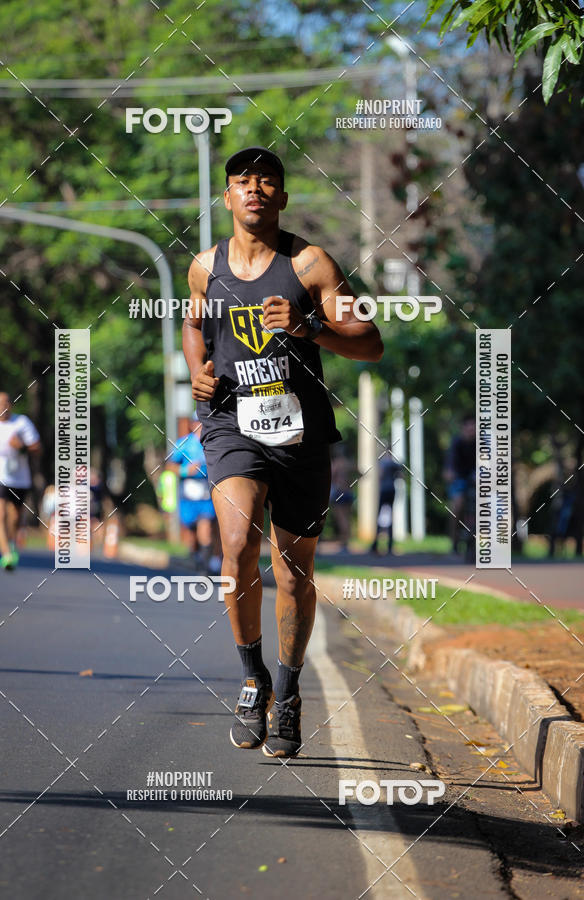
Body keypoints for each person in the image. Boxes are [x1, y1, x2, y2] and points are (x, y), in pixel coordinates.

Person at [183, 146, 383, 758]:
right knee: (239, 546)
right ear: (227, 197)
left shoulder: (311, 265)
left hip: (300, 431)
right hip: (229, 425)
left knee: (295, 573)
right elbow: (195, 325)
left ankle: (290, 691)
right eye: (243, 182)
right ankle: (252, 679)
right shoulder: (204, 267)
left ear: (282, 197)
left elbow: (369, 343)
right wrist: (198, 371)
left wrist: (309, 328)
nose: (255, 190)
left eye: (267, 182)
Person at [0, 392, 41, 569]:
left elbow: (37, 449)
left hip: (19, 479)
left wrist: (22, 447)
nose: (2, 406)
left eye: (6, 402)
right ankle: (7, 555)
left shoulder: (22, 423)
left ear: (11, 406)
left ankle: (11, 543)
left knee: (14, 518)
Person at [169, 416, 221, 574]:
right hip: (188, 493)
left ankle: (205, 568)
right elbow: (170, 467)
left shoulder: (213, 443)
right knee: (192, 534)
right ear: (192, 425)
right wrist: (185, 471)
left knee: (205, 527)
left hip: (206, 492)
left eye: (204, 423)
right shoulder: (184, 443)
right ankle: (197, 557)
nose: (201, 426)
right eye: (197, 423)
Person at [444, 415, 477, 553]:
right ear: (463, 428)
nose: (471, 430)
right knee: (457, 506)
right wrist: (449, 472)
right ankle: (454, 539)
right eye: (468, 427)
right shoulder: (456, 443)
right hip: (458, 478)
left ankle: (474, 539)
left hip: (475, 479)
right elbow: (450, 463)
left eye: (473, 427)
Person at [371, 449, 403, 555]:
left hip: (384, 490)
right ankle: (389, 546)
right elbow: (401, 476)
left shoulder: (382, 463)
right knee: (390, 517)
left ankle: (375, 544)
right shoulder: (394, 464)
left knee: (378, 516)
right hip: (391, 491)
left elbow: (380, 475)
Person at [329, 446, 354, 551]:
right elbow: (361, 473)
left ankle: (344, 543)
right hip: (348, 493)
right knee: (347, 519)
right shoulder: (348, 463)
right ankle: (346, 542)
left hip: (340, 493)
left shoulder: (336, 464)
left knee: (341, 519)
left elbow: (329, 476)